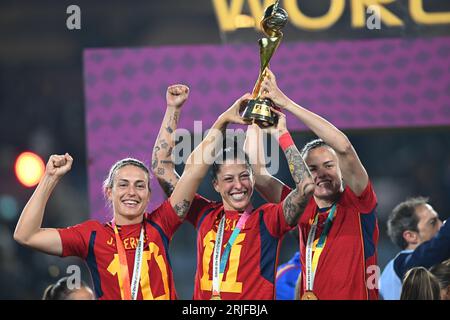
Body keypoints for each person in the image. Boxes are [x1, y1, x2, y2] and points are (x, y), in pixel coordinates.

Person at [14, 84, 245, 300]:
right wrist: (49, 178)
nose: (131, 192)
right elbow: (26, 235)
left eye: (140, 185)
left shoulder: (162, 223)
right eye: (123, 184)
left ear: (148, 194)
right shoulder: (92, 236)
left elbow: (190, 170)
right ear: (108, 191)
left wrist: (208, 119)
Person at [153, 95, 314, 299]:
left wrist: (282, 133)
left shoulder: (268, 219)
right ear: (216, 185)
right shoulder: (204, 214)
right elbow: (162, 168)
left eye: (244, 176)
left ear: (253, 180)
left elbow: (306, 186)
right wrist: (220, 121)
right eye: (229, 178)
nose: (238, 185)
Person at [258, 69, 379, 300]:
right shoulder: (301, 204)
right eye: (312, 169)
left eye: (329, 165)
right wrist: (262, 124)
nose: (322, 174)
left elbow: (343, 147)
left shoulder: (358, 202)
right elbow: (259, 177)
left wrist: (287, 104)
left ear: (342, 170)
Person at [379, 197, 450, 300]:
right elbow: (434, 251)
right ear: (411, 236)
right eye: (432, 223)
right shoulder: (401, 264)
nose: (441, 225)